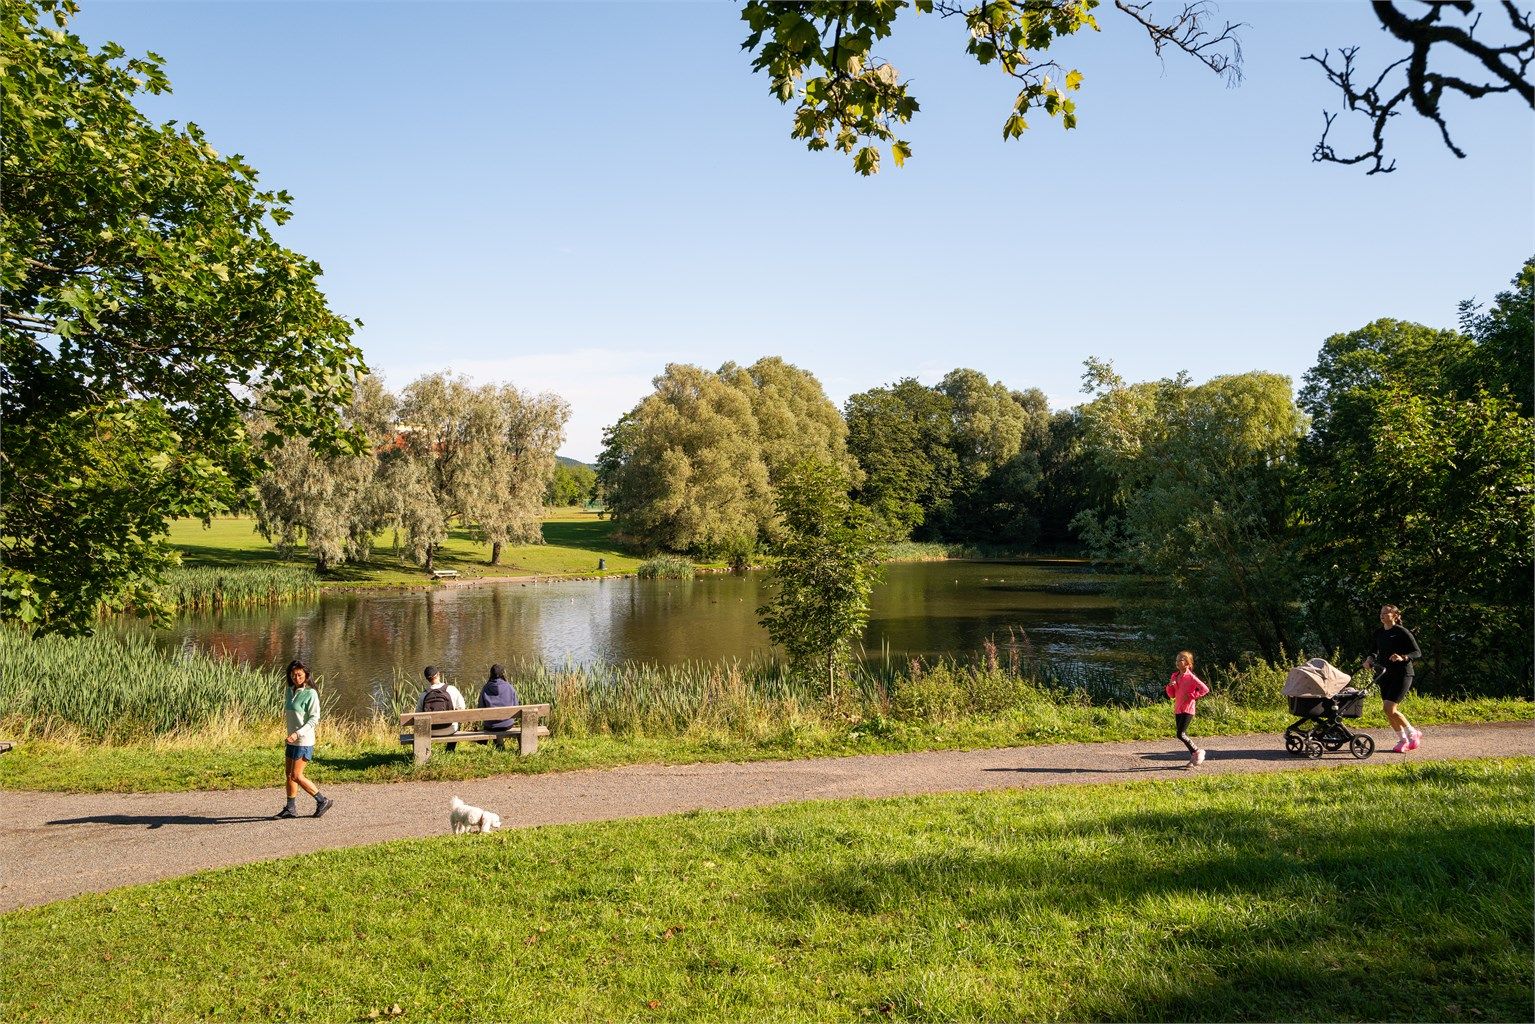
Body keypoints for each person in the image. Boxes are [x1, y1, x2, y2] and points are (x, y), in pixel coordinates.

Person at [1363, 604, 1423, 753]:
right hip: (1385, 674)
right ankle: (1403, 740)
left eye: (1386, 613)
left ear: (1395, 616)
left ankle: (1412, 732)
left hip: (1402, 674)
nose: (1382, 615)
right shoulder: (1378, 633)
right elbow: (1373, 651)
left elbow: (1417, 652)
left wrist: (1403, 657)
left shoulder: (1402, 632)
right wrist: (1369, 659)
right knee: (1387, 710)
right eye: (1381, 613)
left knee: (1390, 707)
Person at [278, 660, 333, 819]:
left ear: (306, 675)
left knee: (296, 775)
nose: (296, 677)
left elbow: (314, 719)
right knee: (288, 774)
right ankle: (290, 808)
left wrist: (297, 734)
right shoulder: (289, 691)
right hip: (292, 740)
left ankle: (322, 800)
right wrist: (291, 735)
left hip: (304, 741)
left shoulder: (311, 693)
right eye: (293, 674)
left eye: (300, 674)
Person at [1165, 650, 1211, 768]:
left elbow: (1205, 689)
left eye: (1181, 659)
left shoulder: (1191, 677)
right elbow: (1172, 695)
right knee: (1181, 734)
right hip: (1178, 709)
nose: (1177, 662)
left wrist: (1192, 696)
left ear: (1188, 664)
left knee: (1180, 734)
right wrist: (1170, 686)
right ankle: (1195, 755)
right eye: (1177, 659)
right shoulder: (1174, 676)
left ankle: (1197, 752)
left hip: (1188, 709)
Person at [417, 665, 466, 752]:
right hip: (450, 729)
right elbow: (462, 708)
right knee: (458, 719)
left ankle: (426, 751)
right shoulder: (452, 689)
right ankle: (450, 750)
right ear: (439, 674)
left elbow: (418, 714)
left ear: (427, 679)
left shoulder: (424, 695)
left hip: (431, 731)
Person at [478, 664, 520, 749]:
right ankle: (500, 746)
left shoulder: (486, 688)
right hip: (507, 724)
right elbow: (516, 706)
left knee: (492, 724)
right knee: (498, 724)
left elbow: (480, 707)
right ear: (502, 674)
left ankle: (499, 746)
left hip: (491, 726)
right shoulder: (509, 687)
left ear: (491, 674)